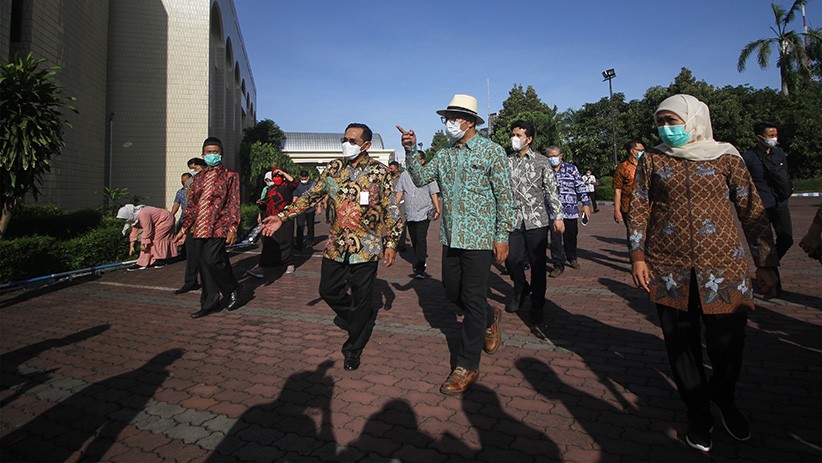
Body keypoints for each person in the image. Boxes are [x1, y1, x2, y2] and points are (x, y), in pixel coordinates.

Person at [628, 94, 778, 453]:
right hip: (669, 267)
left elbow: (751, 208)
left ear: (693, 119)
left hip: (724, 267)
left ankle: (724, 399)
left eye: (673, 120)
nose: (666, 128)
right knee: (680, 346)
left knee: (728, 344)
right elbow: (638, 208)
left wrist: (766, 262)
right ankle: (698, 414)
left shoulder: (727, 156)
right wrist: (637, 255)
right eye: (661, 122)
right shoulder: (652, 160)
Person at [398, 93, 515, 397]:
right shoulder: (445, 154)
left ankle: (467, 365)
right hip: (451, 237)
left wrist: (502, 237)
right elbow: (422, 176)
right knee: (453, 293)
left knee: (473, 298)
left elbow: (505, 197)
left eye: (453, 118)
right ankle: (490, 318)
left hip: (479, 239)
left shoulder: (492, 152)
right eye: (446, 118)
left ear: (470, 121)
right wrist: (410, 150)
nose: (448, 123)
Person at [260, 123, 402, 371]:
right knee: (328, 290)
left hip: (366, 246)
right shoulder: (334, 168)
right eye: (344, 139)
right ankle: (357, 320)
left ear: (366, 145)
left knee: (361, 297)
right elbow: (311, 196)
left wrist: (391, 243)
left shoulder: (380, 173)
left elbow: (391, 209)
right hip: (336, 244)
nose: (346, 144)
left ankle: (353, 348)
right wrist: (282, 216)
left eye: (353, 140)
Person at [174, 137, 242, 319]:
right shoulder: (198, 179)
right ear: (203, 154)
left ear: (221, 154)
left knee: (211, 259)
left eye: (215, 152)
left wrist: (233, 227)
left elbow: (233, 202)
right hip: (200, 227)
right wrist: (183, 229)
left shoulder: (230, 175)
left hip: (219, 225)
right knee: (203, 264)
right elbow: (192, 206)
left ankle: (232, 288)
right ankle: (209, 303)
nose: (212, 155)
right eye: (209, 152)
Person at [504, 120, 564, 324]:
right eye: (513, 134)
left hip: (537, 220)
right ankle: (520, 287)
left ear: (528, 139)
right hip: (513, 220)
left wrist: (558, 216)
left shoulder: (541, 161)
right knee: (511, 260)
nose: (514, 138)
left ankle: (538, 304)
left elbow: (551, 190)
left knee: (538, 265)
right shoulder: (507, 161)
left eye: (518, 135)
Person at [741, 121, 793, 294]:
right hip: (760, 206)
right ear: (759, 138)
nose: (774, 138)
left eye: (775, 135)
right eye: (771, 135)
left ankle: (767, 267)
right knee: (766, 245)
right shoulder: (748, 157)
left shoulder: (779, 155)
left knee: (786, 238)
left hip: (779, 203)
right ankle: (774, 286)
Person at [395, 150, 441, 279]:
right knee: (414, 239)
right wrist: (393, 206)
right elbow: (399, 192)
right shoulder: (404, 175)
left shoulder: (427, 174)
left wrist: (437, 209)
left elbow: (433, 192)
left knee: (421, 239)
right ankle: (419, 259)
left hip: (424, 212)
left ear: (422, 161)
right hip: (410, 212)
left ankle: (420, 267)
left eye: (417, 159)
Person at [547, 146, 591, 278]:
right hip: (552, 211)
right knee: (555, 238)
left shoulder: (572, 169)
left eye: (555, 155)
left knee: (571, 235)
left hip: (570, 209)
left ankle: (572, 257)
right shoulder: (545, 170)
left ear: (561, 156)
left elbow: (580, 186)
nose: (552, 158)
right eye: (549, 156)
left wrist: (586, 204)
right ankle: (558, 264)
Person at [249, 167, 299, 277]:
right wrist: (261, 204)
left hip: (285, 218)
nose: (276, 178)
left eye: (278, 176)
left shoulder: (287, 187)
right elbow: (266, 205)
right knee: (269, 242)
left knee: (286, 241)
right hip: (271, 219)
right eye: (274, 176)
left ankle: (288, 263)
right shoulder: (270, 190)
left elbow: (295, 182)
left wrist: (283, 172)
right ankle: (263, 267)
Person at [173, 157, 208, 295]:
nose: (192, 172)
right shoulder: (190, 183)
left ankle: (213, 283)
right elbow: (189, 206)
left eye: (194, 168)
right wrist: (184, 229)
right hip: (192, 225)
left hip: (207, 225)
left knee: (209, 257)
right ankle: (190, 282)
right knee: (192, 255)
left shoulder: (211, 180)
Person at [118, 204, 178, 270]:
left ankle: (160, 260)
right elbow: (134, 230)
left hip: (166, 219)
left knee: (156, 239)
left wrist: (143, 244)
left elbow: (147, 230)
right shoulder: (135, 217)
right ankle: (144, 261)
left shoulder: (143, 214)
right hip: (159, 221)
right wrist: (131, 245)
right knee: (149, 241)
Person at [614, 139, 644, 227]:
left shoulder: (646, 165)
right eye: (640, 150)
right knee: (634, 235)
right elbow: (617, 190)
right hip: (629, 207)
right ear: (632, 151)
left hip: (645, 207)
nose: (642, 152)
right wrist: (617, 210)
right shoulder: (623, 167)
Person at [293, 170, 317, 251]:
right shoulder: (297, 185)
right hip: (300, 209)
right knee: (300, 226)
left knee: (310, 226)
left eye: (305, 177)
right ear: (300, 177)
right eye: (302, 177)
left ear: (308, 177)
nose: (304, 179)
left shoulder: (312, 184)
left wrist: (319, 205)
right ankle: (299, 243)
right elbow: (295, 196)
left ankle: (310, 242)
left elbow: (316, 195)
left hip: (310, 208)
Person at [388, 161, 408, 252]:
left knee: (402, 224)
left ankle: (401, 245)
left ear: (396, 168)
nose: (390, 170)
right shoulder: (387, 178)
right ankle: (392, 244)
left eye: (392, 168)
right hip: (390, 204)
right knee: (391, 224)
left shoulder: (402, 178)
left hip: (402, 204)